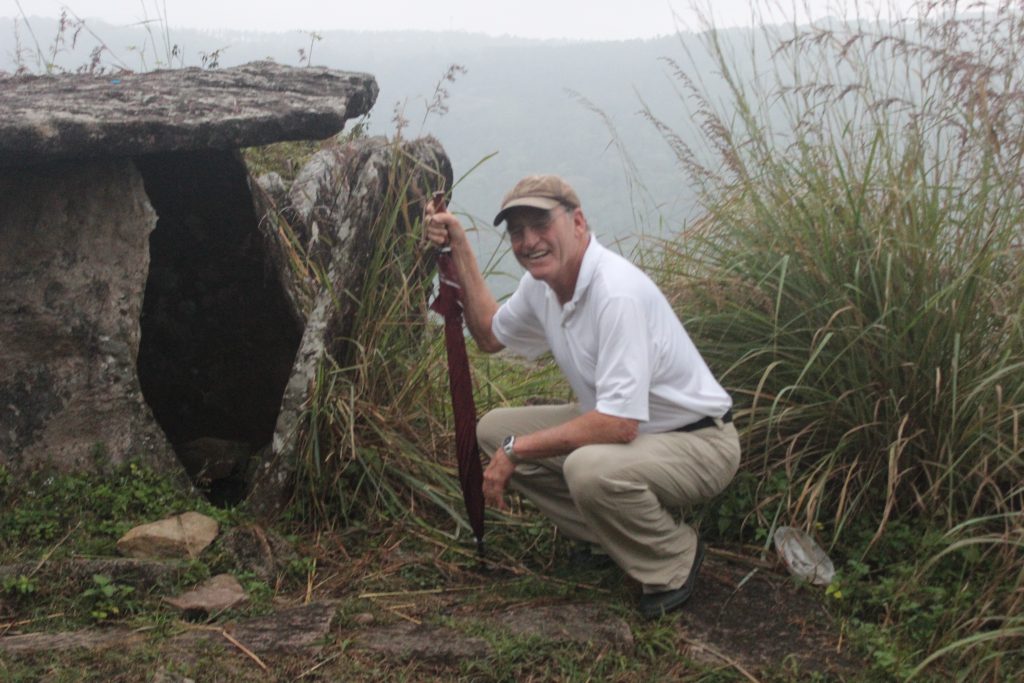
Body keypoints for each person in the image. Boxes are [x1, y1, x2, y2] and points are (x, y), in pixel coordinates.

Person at [424, 174, 740, 618]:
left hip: (700, 442)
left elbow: (618, 424)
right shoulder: (543, 285)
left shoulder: (616, 294)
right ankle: (606, 539)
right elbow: (490, 335)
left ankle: (673, 559)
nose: (529, 242)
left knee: (586, 468)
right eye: (517, 232)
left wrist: (520, 450)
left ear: (577, 222)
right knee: (495, 432)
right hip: (635, 430)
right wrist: (459, 245)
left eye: (540, 225)